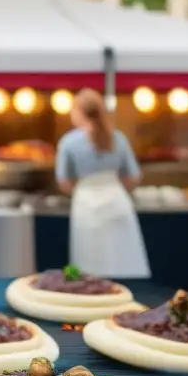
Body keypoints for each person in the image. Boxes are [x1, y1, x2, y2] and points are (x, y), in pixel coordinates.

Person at [56, 89, 150, 278]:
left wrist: (81, 190)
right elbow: (134, 177)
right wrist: (114, 187)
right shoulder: (118, 138)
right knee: (123, 260)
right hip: (116, 200)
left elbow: (64, 182)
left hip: (86, 201)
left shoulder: (68, 142)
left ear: (79, 112)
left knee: (90, 263)